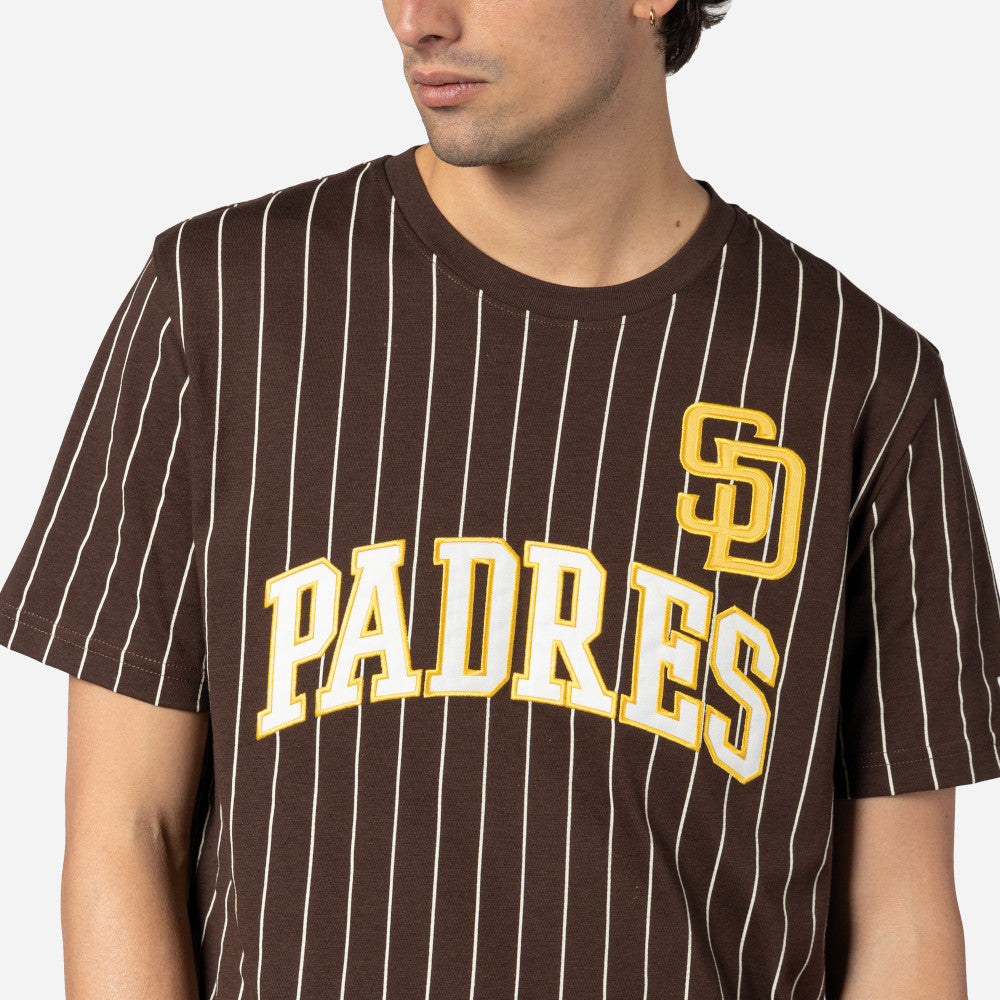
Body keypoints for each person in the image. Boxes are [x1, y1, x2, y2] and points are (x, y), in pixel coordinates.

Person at [0, 1, 996, 997]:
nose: (415, 20)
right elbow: (127, 828)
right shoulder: (226, 303)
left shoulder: (857, 381)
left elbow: (899, 916)